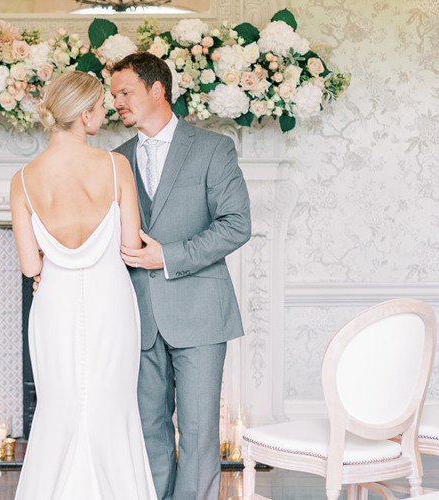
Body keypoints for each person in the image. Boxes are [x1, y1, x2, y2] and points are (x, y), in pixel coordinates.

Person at [10, 70, 158, 500]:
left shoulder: (22, 179)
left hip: (53, 303)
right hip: (110, 299)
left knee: (59, 408)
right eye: (100, 107)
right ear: (86, 117)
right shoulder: (115, 166)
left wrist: (50, 268)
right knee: (111, 408)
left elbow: (27, 264)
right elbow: (131, 246)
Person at [110, 52, 252, 500]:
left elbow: (236, 224)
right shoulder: (115, 160)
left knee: (197, 434)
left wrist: (166, 257)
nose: (117, 102)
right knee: (147, 430)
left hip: (200, 315)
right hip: (138, 317)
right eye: (113, 95)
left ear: (157, 90)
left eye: (125, 92)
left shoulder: (213, 147)